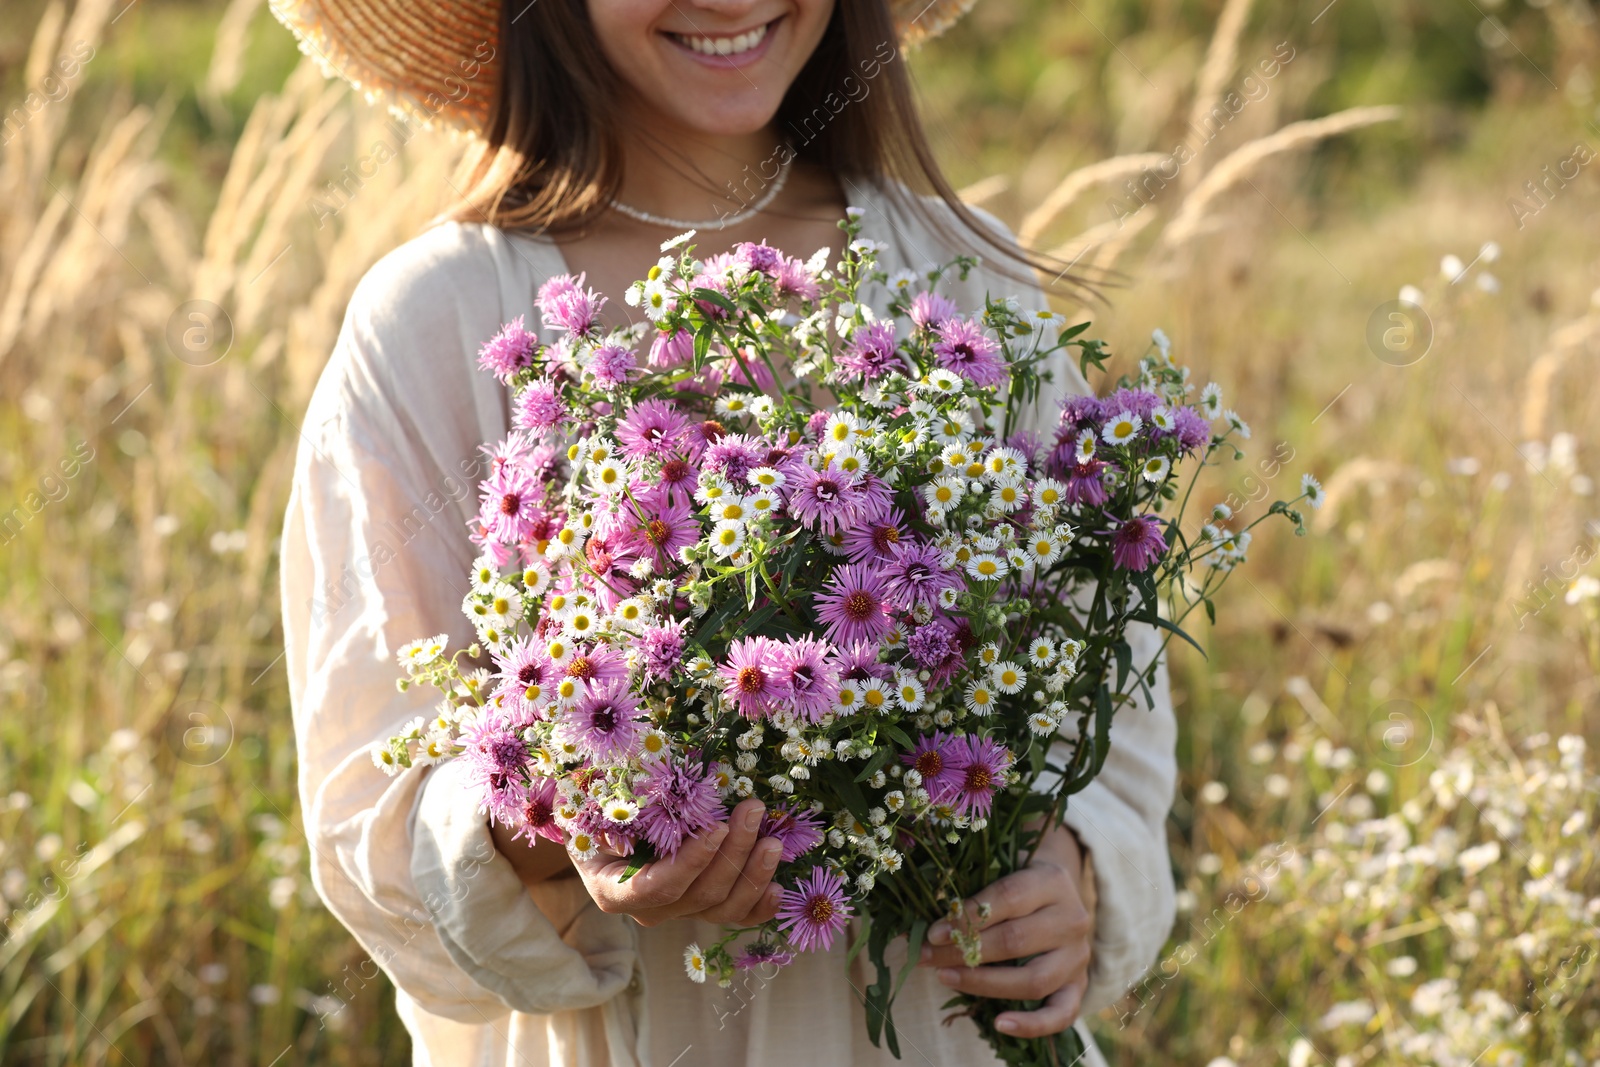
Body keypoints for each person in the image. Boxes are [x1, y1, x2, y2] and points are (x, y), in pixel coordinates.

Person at [275, 1, 1178, 1064]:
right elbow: (366, 791)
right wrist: (560, 824)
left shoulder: (962, 276)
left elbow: (1114, 700)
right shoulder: (439, 318)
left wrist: (1073, 873)